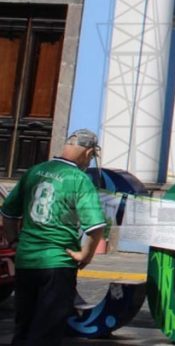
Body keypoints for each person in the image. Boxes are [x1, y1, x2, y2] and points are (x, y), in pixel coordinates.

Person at [0, 129, 106, 345]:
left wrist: (15, 242)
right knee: (47, 329)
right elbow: (95, 227)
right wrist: (85, 254)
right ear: (88, 153)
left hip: (27, 260)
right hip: (57, 262)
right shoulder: (79, 179)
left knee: (24, 326)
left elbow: (8, 213)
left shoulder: (35, 171)